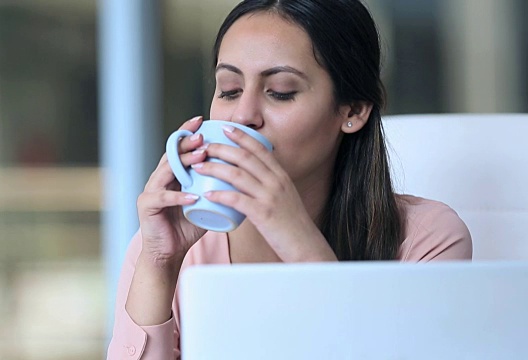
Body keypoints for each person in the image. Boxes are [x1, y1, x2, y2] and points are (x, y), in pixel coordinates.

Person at [107, 0, 472, 358]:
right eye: (230, 90)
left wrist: (298, 241)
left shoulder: (426, 238)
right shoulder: (172, 245)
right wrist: (158, 263)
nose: (243, 116)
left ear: (353, 110)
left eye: (280, 92)